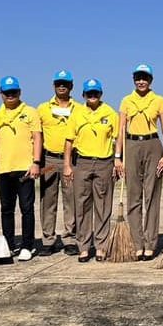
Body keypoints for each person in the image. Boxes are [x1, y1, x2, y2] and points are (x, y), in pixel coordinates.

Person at [116, 63, 163, 261]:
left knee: (152, 194)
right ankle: (137, 242)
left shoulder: (158, 100)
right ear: (134, 80)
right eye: (138, 78)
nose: (141, 81)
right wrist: (118, 157)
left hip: (152, 144)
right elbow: (120, 129)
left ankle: (150, 243)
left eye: (144, 78)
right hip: (131, 144)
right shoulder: (126, 101)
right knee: (133, 195)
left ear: (150, 80)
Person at [0, 76, 42, 262]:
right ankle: (9, 245)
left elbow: (37, 138)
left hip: (25, 168)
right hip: (4, 169)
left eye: (14, 92)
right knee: (6, 209)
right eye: (7, 92)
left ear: (19, 92)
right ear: (1, 94)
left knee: (26, 208)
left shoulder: (30, 112)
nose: (10, 95)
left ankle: (27, 245)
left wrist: (36, 162)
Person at [64, 78, 119, 262]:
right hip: (82, 162)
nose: (92, 96)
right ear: (83, 95)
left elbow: (118, 138)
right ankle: (84, 247)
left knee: (103, 205)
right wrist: (67, 165)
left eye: (95, 93)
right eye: (89, 93)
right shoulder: (77, 114)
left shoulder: (110, 112)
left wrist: (118, 159)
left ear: (101, 94)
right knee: (82, 205)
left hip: (104, 162)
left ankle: (101, 246)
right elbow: (69, 141)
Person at [37, 69, 80, 256]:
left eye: (65, 83)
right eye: (58, 83)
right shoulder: (42, 109)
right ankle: (48, 240)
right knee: (48, 199)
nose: (62, 86)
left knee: (71, 199)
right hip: (49, 159)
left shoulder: (79, 109)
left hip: (71, 160)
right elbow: (36, 136)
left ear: (71, 86)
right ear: (53, 86)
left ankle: (70, 239)